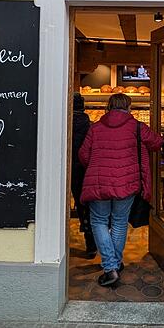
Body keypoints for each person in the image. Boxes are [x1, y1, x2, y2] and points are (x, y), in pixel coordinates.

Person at [79, 93, 164, 286]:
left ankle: (111, 268)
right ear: (128, 108)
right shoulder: (137, 127)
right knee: (119, 222)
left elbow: (83, 155)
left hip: (99, 182)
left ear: (108, 107)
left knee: (99, 221)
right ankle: (113, 265)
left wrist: (97, 167)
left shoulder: (96, 128)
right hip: (126, 184)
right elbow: (157, 142)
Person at [71, 93, 97, 258]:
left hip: (65, 167)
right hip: (83, 168)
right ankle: (91, 243)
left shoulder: (63, 123)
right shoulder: (90, 126)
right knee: (84, 205)